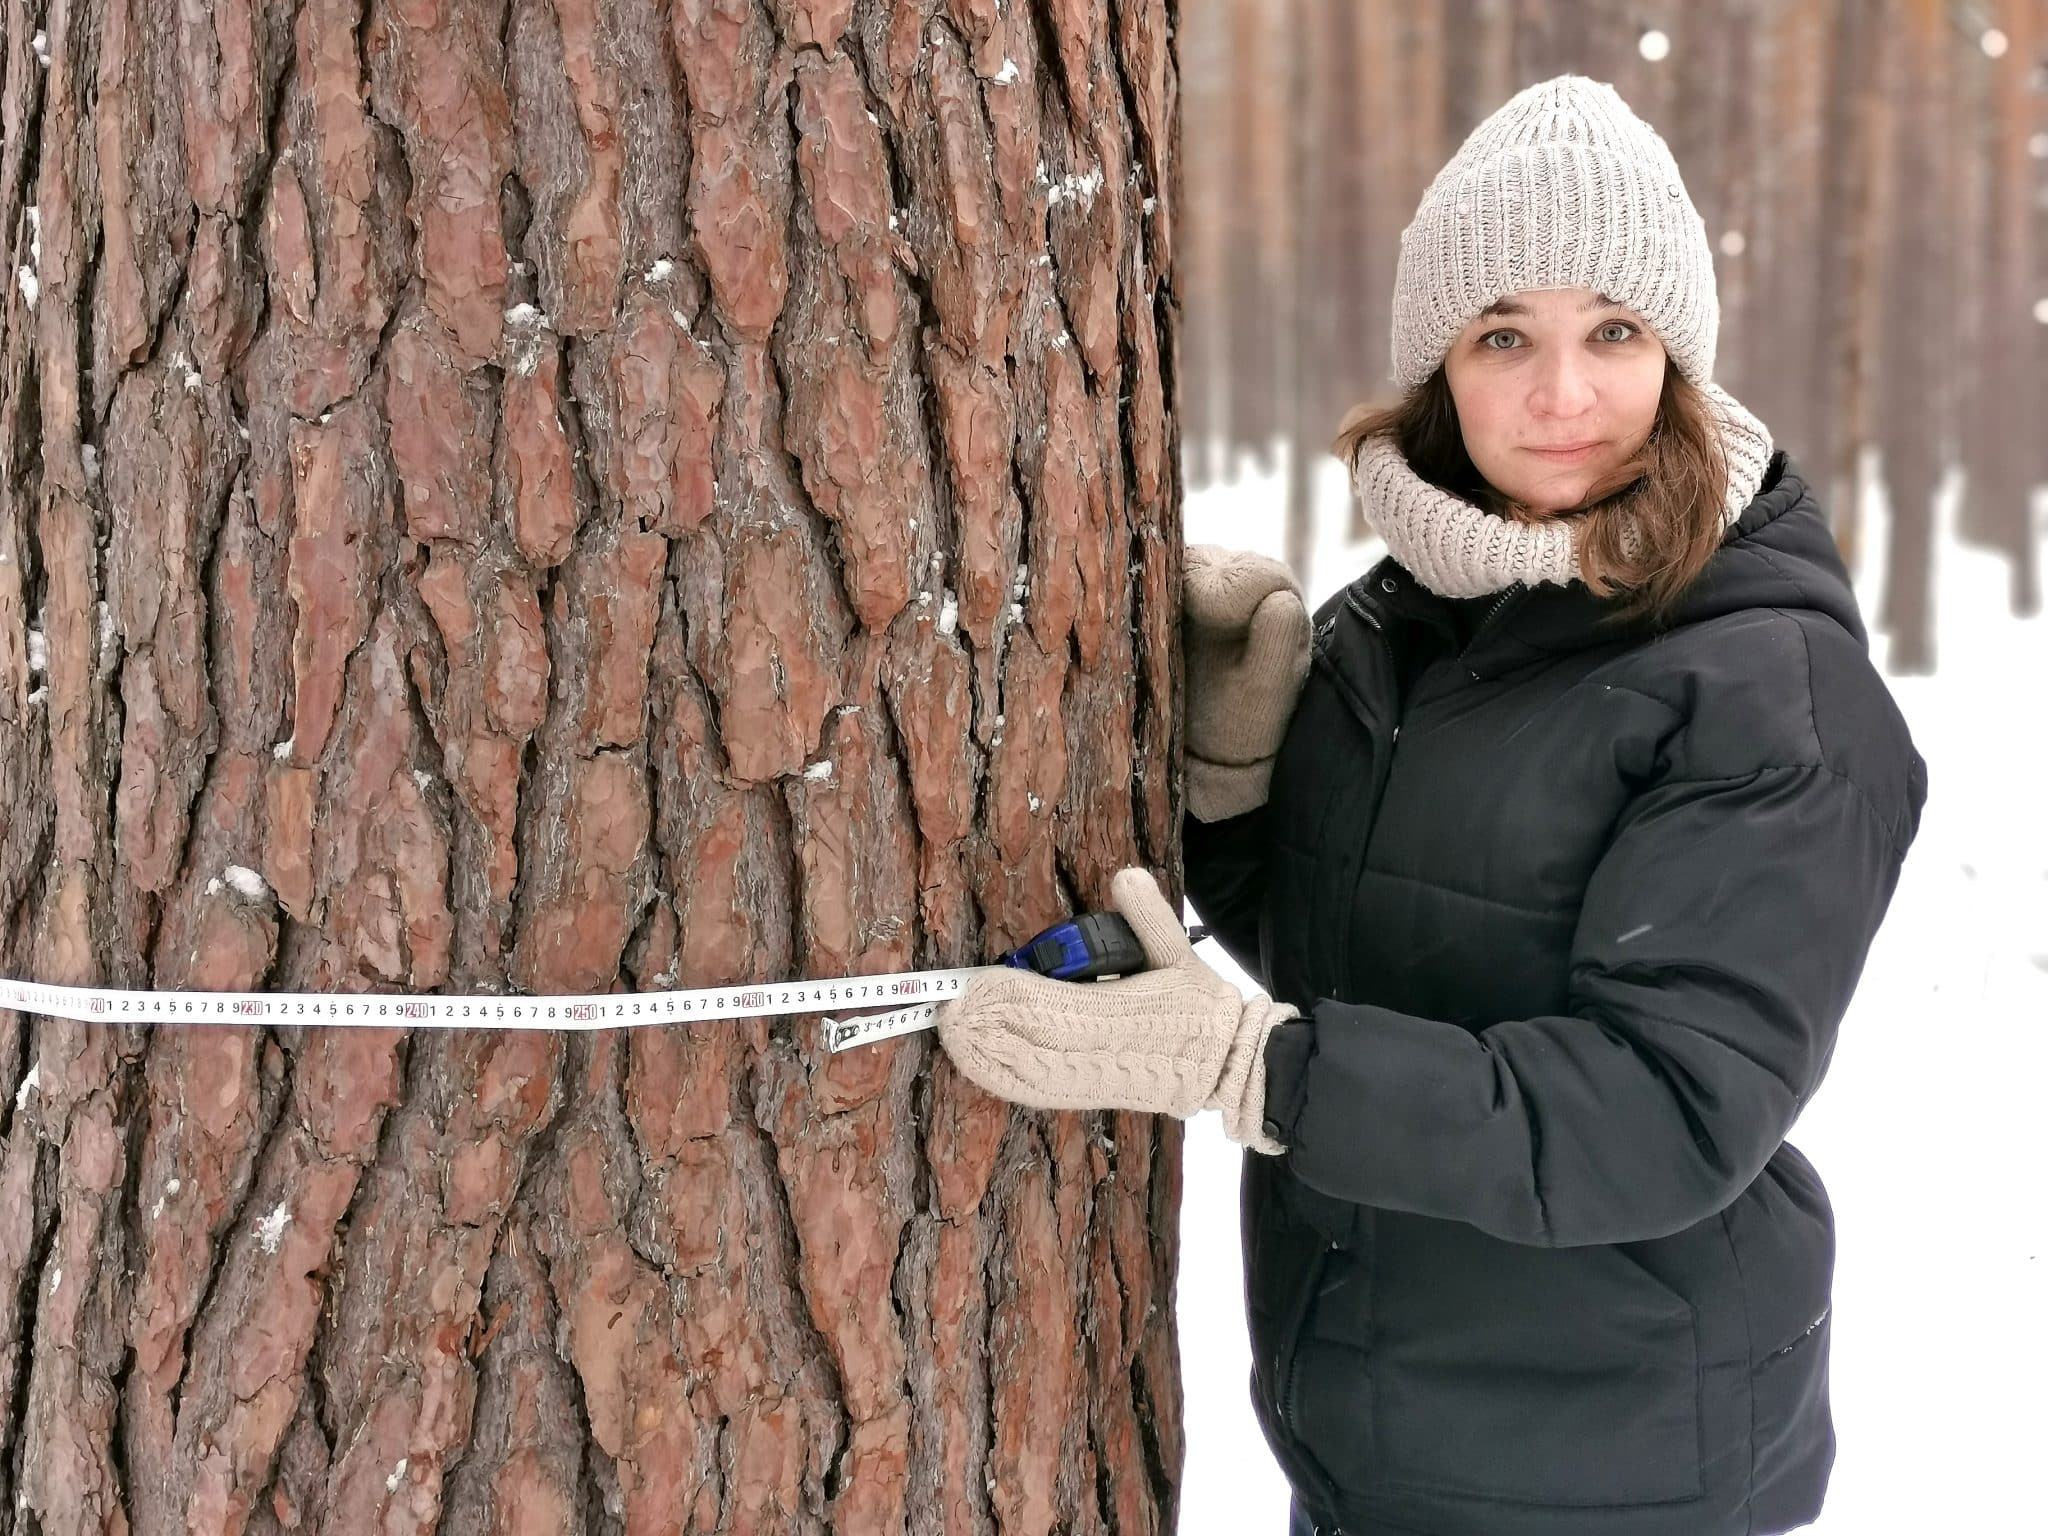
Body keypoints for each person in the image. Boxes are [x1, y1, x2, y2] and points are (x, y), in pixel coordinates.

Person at [934, 74, 1926, 1536]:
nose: (1562, 391)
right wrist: (1234, 798)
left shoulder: (1767, 686)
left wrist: (1264, 1076)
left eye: (1615, 330)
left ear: (1681, 359)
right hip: (1373, 1438)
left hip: (1622, 1463)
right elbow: (1367, 962)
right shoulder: (1403, 618)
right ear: (1440, 366)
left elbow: (1662, 1112)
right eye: (1504, 333)